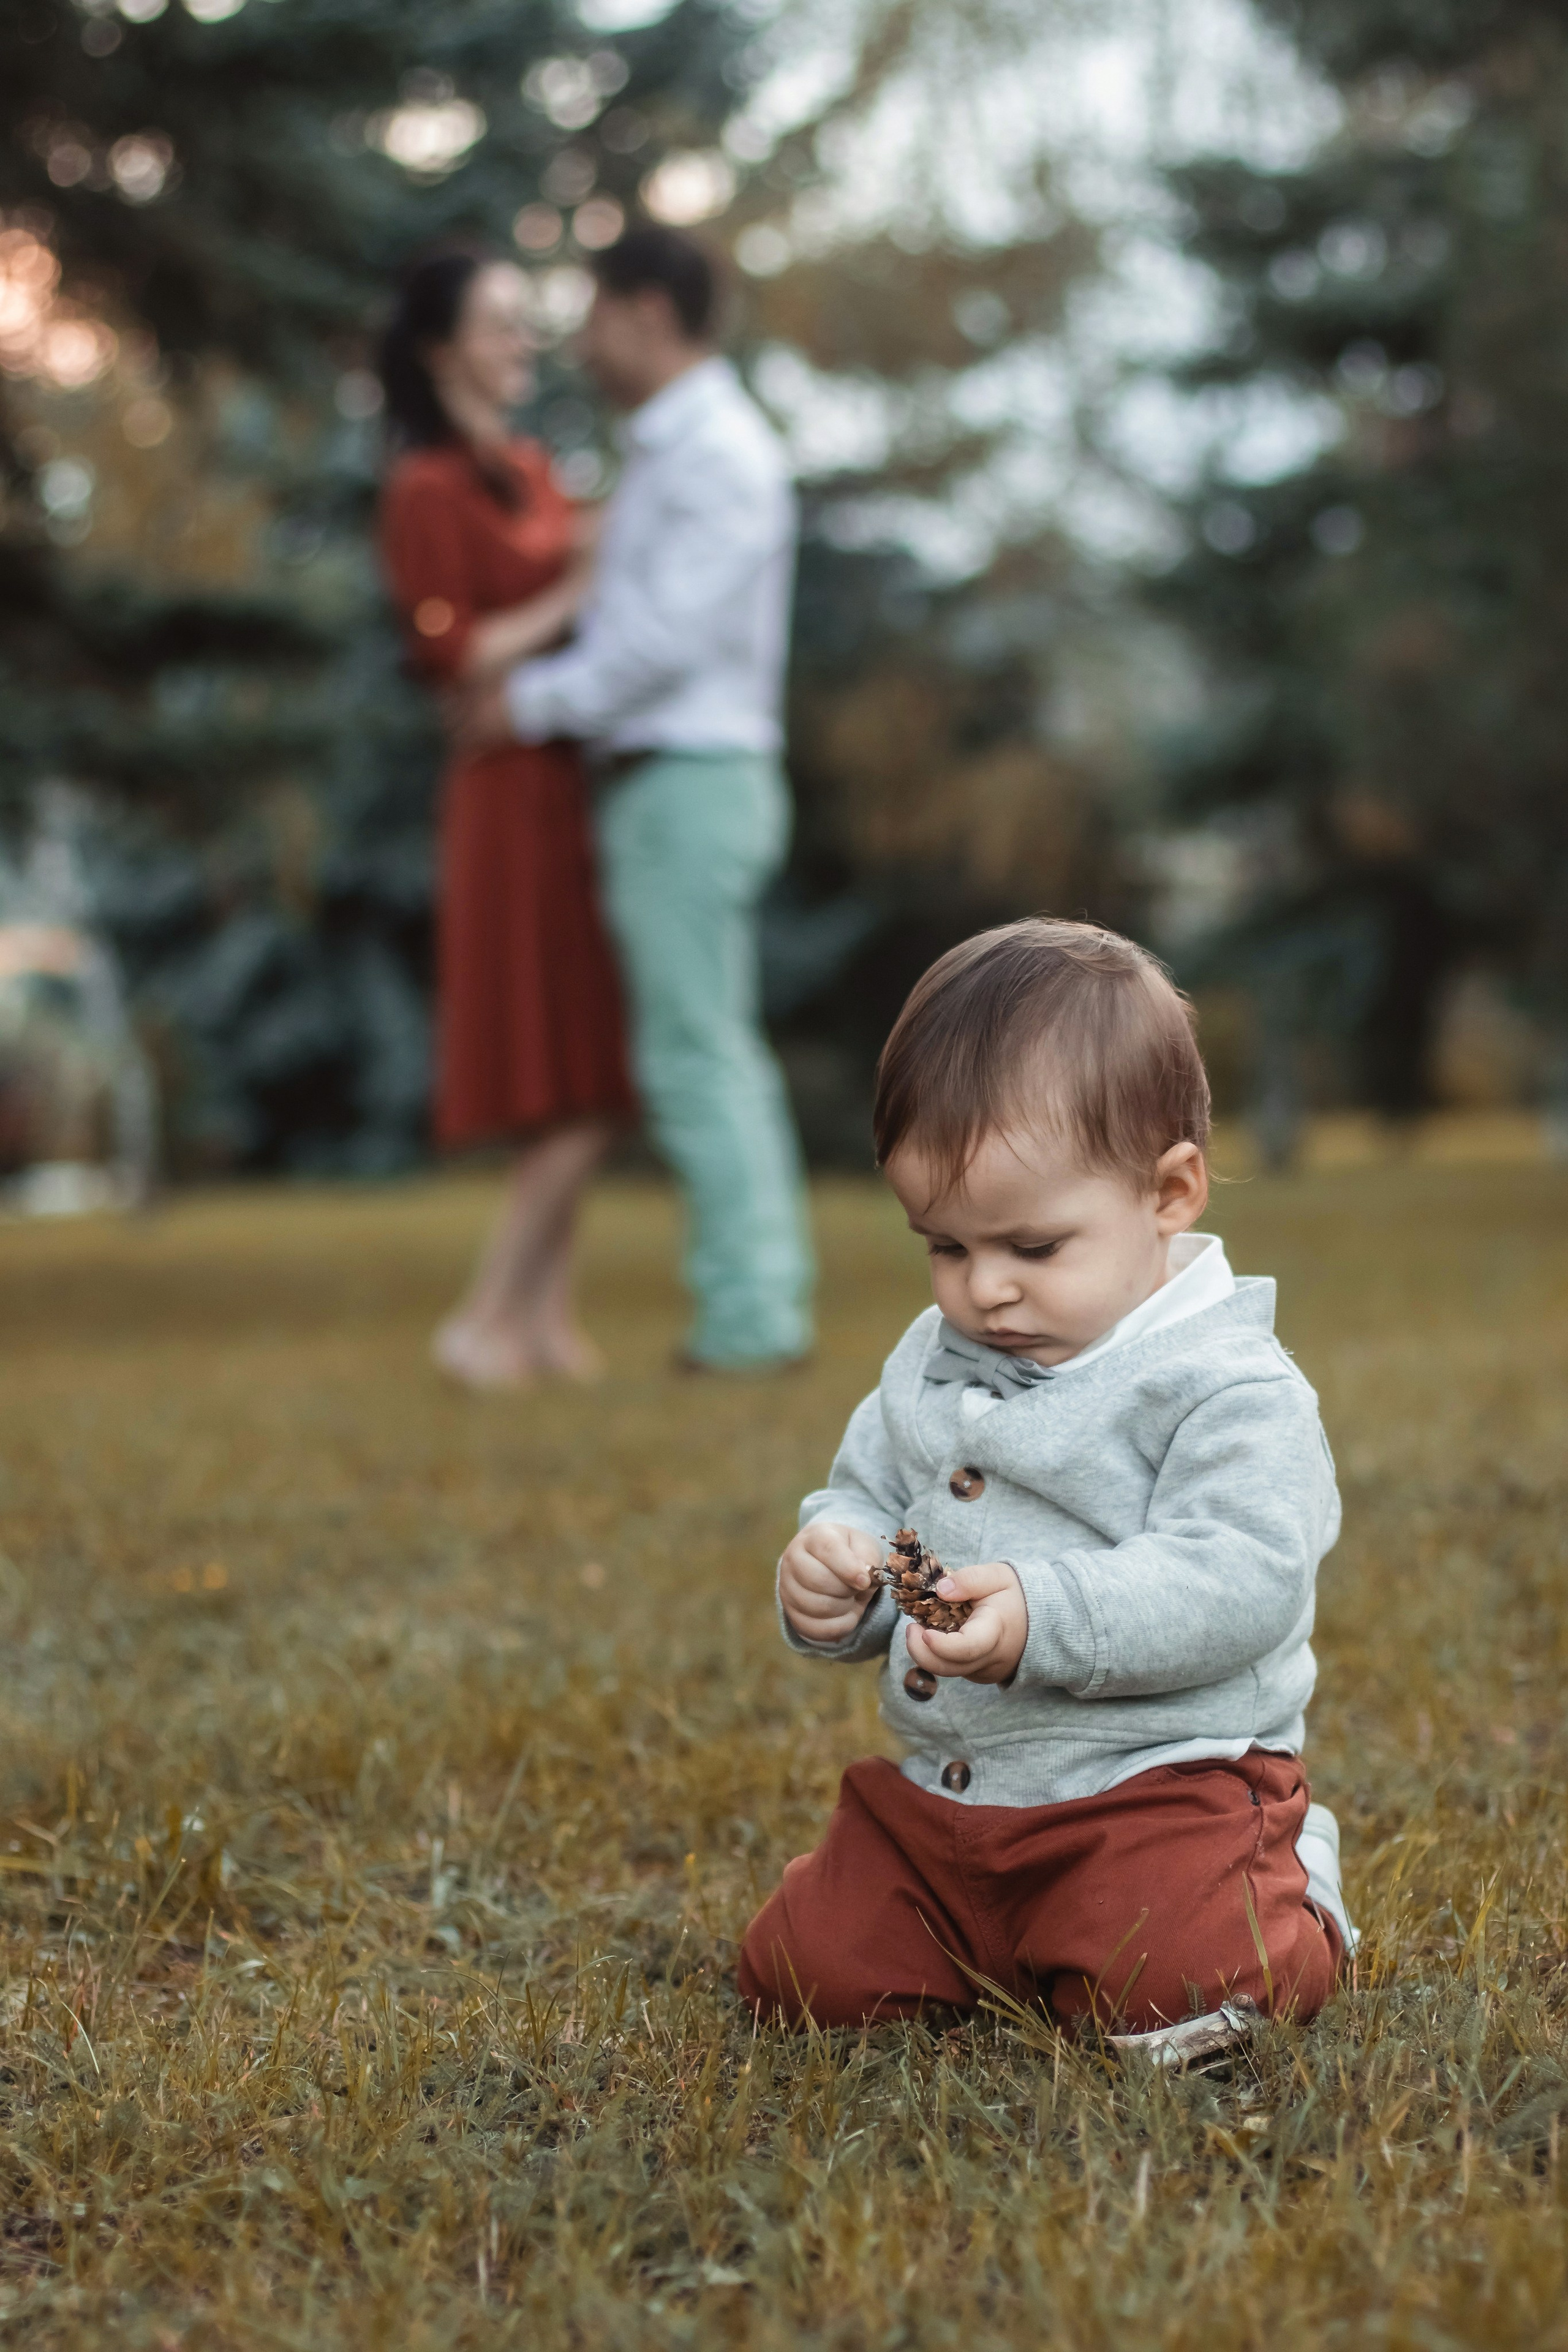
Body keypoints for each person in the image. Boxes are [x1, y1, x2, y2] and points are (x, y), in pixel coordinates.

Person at [740, 918, 1354, 2041]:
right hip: (951, 1796)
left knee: (1182, 1988)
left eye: (1032, 1249)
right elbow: (872, 1497)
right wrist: (839, 1571)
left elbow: (1241, 1579)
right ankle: (999, 1932)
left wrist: (1047, 1614)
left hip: (1159, 1791)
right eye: (945, 1245)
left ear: (1170, 1194)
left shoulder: (1228, 1387)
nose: (985, 1292)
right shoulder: (936, 1354)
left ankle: (1289, 1887)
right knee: (804, 1977)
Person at [458, 227, 813, 1374]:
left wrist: (529, 704)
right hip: (667, 783)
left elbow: (665, 639)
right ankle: (749, 1308)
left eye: (597, 311)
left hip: (692, 780)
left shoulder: (718, 453)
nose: (581, 336)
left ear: (650, 313)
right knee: (697, 1047)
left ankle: (753, 1320)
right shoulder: (670, 449)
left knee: (696, 1055)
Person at [380, 249, 636, 1389]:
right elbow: (446, 654)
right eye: (498, 327)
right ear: (442, 349)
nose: (522, 345)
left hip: (564, 775)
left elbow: (538, 618)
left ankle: (541, 1326)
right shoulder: (425, 488)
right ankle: (483, 1320)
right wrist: (574, 591)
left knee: (581, 1064)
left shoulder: (533, 468)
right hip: (502, 792)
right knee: (568, 1071)